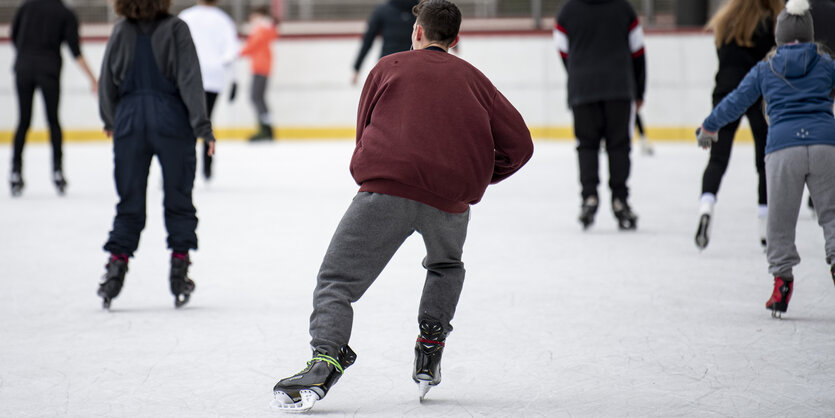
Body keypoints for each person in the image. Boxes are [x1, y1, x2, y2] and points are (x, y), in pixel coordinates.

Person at [270, 0, 533, 412]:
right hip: (449, 202)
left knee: (337, 281)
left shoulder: (388, 67)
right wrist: (476, 177)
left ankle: (325, 360)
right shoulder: (476, 80)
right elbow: (520, 144)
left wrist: (377, 168)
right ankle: (430, 345)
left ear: (417, 32)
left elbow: (365, 129)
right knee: (446, 265)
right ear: (456, 39)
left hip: (385, 191)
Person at [696, 0, 835, 318]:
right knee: (832, 215)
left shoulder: (766, 68)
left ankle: (781, 284)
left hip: (783, 150)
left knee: (780, 223)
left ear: (779, 36)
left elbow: (734, 101)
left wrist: (709, 127)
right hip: (826, 146)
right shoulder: (826, 64)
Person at [96, 0, 216, 310]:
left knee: (129, 199)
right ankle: (179, 270)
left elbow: (107, 79)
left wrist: (111, 119)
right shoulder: (176, 29)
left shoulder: (120, 31)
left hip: (130, 121)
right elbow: (190, 81)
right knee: (178, 196)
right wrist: (203, 128)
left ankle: (115, 270)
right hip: (172, 120)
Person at [694, 0, 783, 251]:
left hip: (724, 92)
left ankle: (706, 208)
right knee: (764, 161)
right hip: (758, 95)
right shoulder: (769, 22)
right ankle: (764, 226)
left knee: (717, 159)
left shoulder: (724, 21)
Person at [554, 0, 646, 231]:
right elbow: (638, 50)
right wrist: (638, 89)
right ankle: (620, 200)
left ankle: (589, 198)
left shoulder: (567, 10)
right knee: (619, 145)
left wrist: (577, 71)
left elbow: (563, 49)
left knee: (587, 145)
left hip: (582, 89)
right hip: (619, 88)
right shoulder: (623, 8)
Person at [9, 0, 98, 197]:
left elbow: (14, 36)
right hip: (49, 70)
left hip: (23, 68)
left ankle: (15, 171)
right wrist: (93, 79)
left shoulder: (26, 7)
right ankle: (57, 171)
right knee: (53, 121)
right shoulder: (64, 12)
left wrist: (26, 56)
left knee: (23, 121)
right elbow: (75, 50)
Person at [179, 0, 239, 180]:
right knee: (206, 121)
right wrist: (233, 79)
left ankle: (179, 166)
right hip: (213, 77)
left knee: (184, 122)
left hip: (188, 77)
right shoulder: (224, 20)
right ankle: (207, 167)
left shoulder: (185, 17)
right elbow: (231, 52)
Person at [351, 0, 419, 85]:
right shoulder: (421, 11)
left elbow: (368, 40)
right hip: (413, 65)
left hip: (387, 65)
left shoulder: (382, 10)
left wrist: (357, 68)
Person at [239, 6, 277, 141]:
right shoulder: (265, 28)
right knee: (258, 98)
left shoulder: (261, 28)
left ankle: (265, 129)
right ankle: (266, 128)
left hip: (260, 66)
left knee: (256, 97)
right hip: (261, 66)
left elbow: (252, 45)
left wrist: (237, 52)